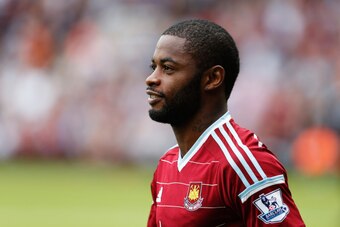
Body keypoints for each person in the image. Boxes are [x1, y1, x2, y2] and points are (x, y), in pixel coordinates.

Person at [145, 19, 305, 227]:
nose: (151, 78)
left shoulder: (242, 163)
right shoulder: (167, 163)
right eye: (154, 67)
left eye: (167, 68)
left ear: (212, 78)